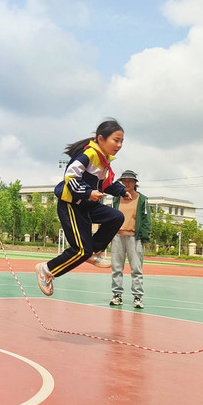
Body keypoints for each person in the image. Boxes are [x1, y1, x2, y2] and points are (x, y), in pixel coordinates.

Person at [35, 119, 131, 296]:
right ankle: (46, 269)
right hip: (72, 205)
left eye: (121, 141)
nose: (119, 145)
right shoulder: (88, 155)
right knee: (80, 250)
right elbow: (70, 177)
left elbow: (105, 184)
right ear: (101, 139)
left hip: (88, 206)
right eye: (116, 140)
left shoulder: (104, 160)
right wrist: (88, 193)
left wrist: (122, 191)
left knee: (116, 217)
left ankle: (93, 252)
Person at [109, 170, 151, 309]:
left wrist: (144, 237)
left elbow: (146, 220)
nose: (126, 183)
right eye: (124, 181)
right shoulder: (116, 198)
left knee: (136, 268)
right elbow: (110, 218)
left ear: (135, 183)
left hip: (135, 237)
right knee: (116, 268)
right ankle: (117, 295)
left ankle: (138, 297)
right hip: (117, 236)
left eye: (129, 181)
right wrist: (108, 235)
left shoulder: (142, 199)